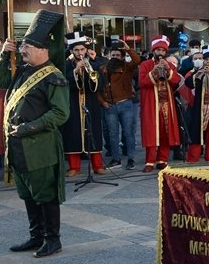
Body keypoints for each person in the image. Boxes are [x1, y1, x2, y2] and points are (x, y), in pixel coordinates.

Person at [0, 10, 70, 257]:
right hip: (18, 144)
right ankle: (36, 236)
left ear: (43, 50)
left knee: (45, 194)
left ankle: (52, 239)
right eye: (22, 46)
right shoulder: (22, 70)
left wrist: (28, 127)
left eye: (27, 47)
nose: (22, 50)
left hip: (39, 145)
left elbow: (60, 113)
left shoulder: (54, 77)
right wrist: (5, 54)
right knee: (27, 193)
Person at [62, 32, 107, 177]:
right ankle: (74, 167)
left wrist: (90, 70)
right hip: (73, 103)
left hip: (91, 103)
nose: (80, 53)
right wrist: (75, 71)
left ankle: (98, 166)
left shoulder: (94, 64)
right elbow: (64, 83)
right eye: (76, 50)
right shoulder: (66, 66)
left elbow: (100, 84)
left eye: (82, 49)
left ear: (86, 50)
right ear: (71, 51)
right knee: (72, 133)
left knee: (94, 132)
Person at [139, 35, 182, 172]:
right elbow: (142, 82)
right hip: (152, 104)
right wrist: (154, 72)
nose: (160, 53)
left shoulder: (170, 65)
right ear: (153, 51)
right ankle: (149, 161)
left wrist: (168, 70)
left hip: (167, 104)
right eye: (158, 50)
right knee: (151, 132)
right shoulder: (145, 65)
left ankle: (162, 160)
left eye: (163, 51)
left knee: (165, 132)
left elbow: (176, 81)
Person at [100, 38, 141, 170]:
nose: (115, 57)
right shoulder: (103, 69)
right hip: (110, 105)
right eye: (113, 55)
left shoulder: (127, 67)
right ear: (109, 56)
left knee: (128, 132)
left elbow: (137, 60)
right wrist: (103, 102)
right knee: (113, 134)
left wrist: (128, 49)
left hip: (125, 104)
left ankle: (131, 159)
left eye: (118, 55)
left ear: (123, 57)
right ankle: (116, 159)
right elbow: (97, 88)